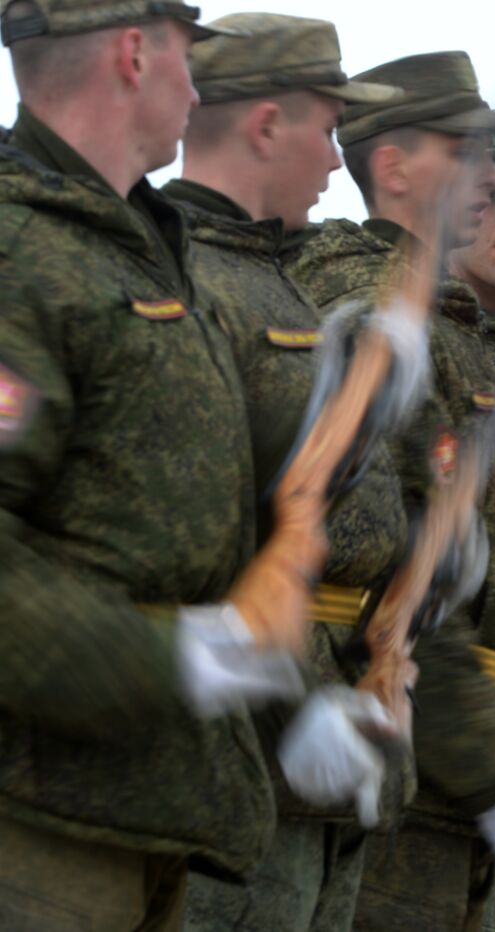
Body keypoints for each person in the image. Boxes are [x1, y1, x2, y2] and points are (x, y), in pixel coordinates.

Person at [0, 2, 320, 927]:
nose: (197, 86)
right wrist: (179, 660)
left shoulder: (139, 247)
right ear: (135, 53)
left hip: (144, 808)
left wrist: (294, 697)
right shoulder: (21, 251)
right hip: (39, 826)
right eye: (188, 55)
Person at [282, 53, 495, 930]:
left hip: (421, 736)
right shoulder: (368, 306)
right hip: (362, 730)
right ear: (395, 167)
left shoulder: (445, 330)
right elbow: (383, 565)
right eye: (476, 163)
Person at [164, 16, 423, 931]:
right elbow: (200, 549)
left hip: (325, 738)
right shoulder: (193, 278)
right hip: (235, 756)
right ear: (267, 124)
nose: (334, 162)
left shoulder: (280, 281)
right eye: (327, 128)